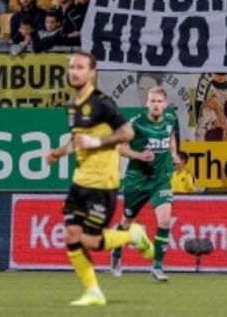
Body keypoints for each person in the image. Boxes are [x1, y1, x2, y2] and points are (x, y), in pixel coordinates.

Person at [44, 52, 154, 306]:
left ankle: (133, 234)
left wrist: (97, 141)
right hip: (80, 181)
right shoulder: (72, 106)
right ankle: (93, 291)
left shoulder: (103, 103)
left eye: (80, 67)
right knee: (72, 235)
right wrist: (59, 153)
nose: (75, 71)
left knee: (92, 242)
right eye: (72, 67)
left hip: (103, 184)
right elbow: (77, 138)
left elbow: (127, 132)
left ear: (93, 73)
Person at [110, 86, 181, 282]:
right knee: (126, 221)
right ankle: (116, 254)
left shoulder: (170, 118)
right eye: (152, 101)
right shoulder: (136, 123)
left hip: (160, 179)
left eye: (159, 101)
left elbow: (171, 136)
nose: (156, 105)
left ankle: (157, 267)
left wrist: (173, 154)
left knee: (165, 220)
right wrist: (139, 155)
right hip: (137, 180)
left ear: (165, 104)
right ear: (146, 103)